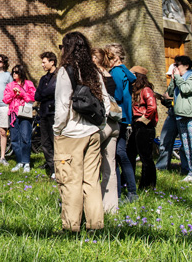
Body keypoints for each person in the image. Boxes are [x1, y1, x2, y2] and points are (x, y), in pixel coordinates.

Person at [54, 31, 110, 232]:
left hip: (71, 134)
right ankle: (95, 225)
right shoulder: (93, 71)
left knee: (70, 182)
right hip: (93, 132)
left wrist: (57, 130)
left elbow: (62, 107)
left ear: (66, 49)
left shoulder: (65, 71)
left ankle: (70, 227)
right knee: (92, 182)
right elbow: (106, 101)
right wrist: (100, 126)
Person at [105, 43, 138, 203]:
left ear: (116, 58)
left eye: (109, 57)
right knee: (119, 154)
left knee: (118, 154)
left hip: (118, 115)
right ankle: (127, 190)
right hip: (124, 116)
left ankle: (125, 192)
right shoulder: (125, 71)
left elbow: (116, 94)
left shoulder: (117, 72)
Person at [167, 55, 192, 184]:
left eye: (177, 65)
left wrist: (178, 77)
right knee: (187, 146)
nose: (176, 67)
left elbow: (185, 89)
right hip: (181, 115)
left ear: (186, 66)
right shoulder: (178, 78)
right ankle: (191, 172)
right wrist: (173, 79)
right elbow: (170, 93)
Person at [92, 47, 119, 213]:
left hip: (102, 122)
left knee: (91, 163)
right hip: (115, 121)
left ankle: (93, 205)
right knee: (110, 165)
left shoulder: (96, 76)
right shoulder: (112, 76)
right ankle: (110, 207)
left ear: (95, 59)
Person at [156, 64, 190, 174]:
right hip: (172, 114)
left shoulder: (188, 81)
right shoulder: (172, 83)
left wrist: (169, 98)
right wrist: (163, 99)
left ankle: (186, 169)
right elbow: (169, 98)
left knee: (184, 144)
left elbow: (187, 97)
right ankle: (162, 167)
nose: (171, 77)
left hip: (182, 115)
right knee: (165, 140)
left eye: (172, 75)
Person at [127, 67, 158, 189]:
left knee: (145, 156)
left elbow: (152, 106)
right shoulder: (136, 91)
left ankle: (148, 184)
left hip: (145, 126)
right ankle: (130, 180)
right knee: (130, 153)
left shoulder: (146, 90)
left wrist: (144, 119)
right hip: (137, 124)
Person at [3, 64, 36, 172]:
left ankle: (26, 162)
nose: (14, 74)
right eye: (13, 72)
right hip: (13, 114)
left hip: (25, 113)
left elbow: (33, 97)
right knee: (14, 139)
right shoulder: (10, 85)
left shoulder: (28, 84)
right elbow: (5, 99)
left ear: (21, 73)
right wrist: (13, 93)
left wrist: (21, 93)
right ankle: (19, 161)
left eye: (16, 72)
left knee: (26, 137)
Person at [34, 51, 57, 178]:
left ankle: (58, 168)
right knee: (45, 142)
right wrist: (45, 93)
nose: (42, 65)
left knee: (55, 141)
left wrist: (44, 93)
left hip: (54, 113)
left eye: (44, 62)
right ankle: (52, 167)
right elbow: (37, 95)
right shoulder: (44, 78)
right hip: (44, 113)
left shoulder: (59, 76)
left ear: (52, 62)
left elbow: (52, 90)